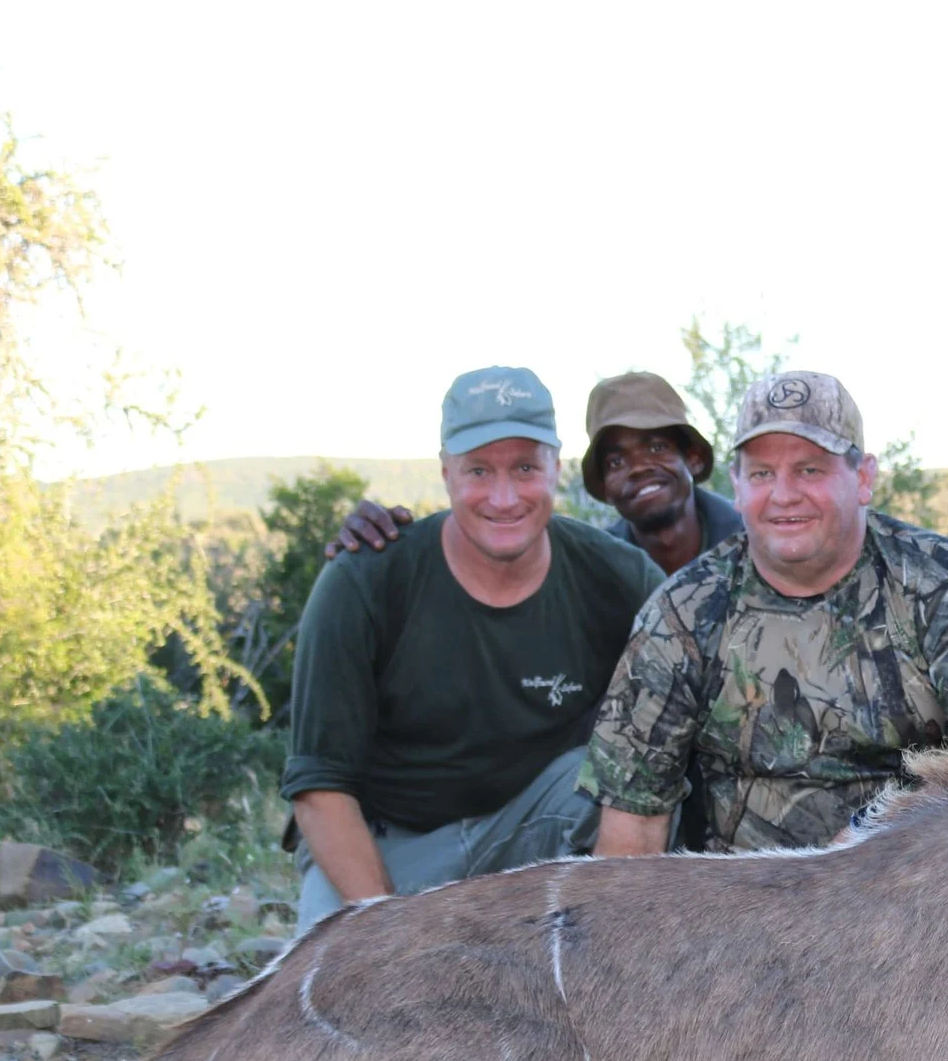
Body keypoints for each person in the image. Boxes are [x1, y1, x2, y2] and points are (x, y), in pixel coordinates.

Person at [582, 370, 948, 856]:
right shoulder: (682, 611)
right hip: (744, 902)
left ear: (863, 478)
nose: (783, 495)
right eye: (762, 473)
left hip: (918, 886)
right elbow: (632, 821)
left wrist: (872, 828)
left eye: (809, 470)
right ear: (736, 486)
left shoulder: (943, 581)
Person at [283, 366, 664, 932]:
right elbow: (317, 788)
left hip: (536, 826)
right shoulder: (365, 580)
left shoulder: (615, 573)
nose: (504, 497)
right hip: (390, 844)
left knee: (632, 771)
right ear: (445, 472)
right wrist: (389, 928)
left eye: (525, 468)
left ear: (556, 468)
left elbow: (708, 674)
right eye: (479, 470)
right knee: (332, 992)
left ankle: (607, 956)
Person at [329, 371, 741, 579]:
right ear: (604, 487)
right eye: (616, 461)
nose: (638, 467)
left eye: (657, 447)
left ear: (694, 459)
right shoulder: (599, 567)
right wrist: (377, 546)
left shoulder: (755, 545)